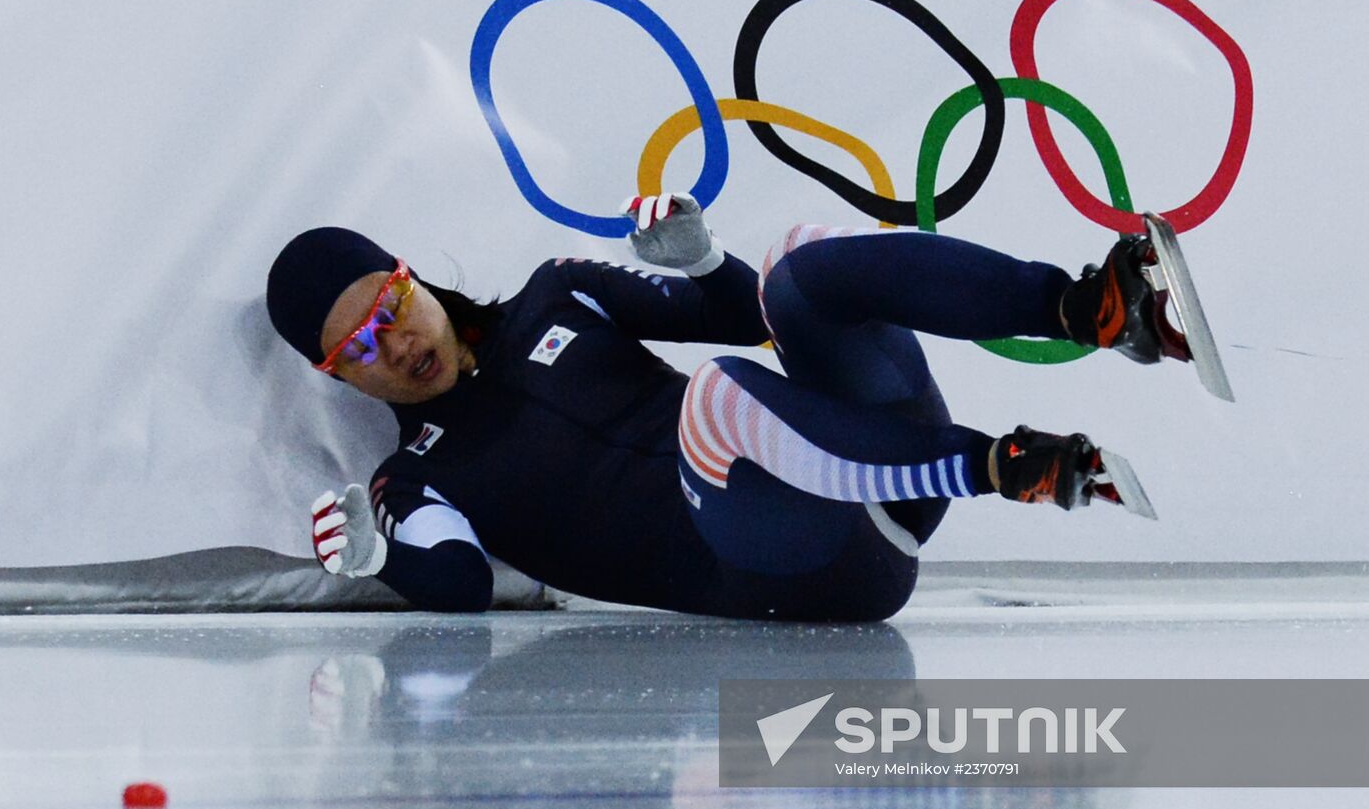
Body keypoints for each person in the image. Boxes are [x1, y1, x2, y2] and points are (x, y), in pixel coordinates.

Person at [265, 195, 1166, 621]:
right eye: (359, 349)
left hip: (867, 469)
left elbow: (746, 316)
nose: (394, 342)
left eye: (389, 307)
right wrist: (378, 556)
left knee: (795, 265)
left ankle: (1091, 311)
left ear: (410, 277)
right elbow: (459, 583)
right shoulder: (411, 474)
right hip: (799, 566)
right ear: (341, 378)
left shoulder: (557, 292)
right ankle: (1010, 468)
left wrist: (700, 260)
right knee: (715, 400)